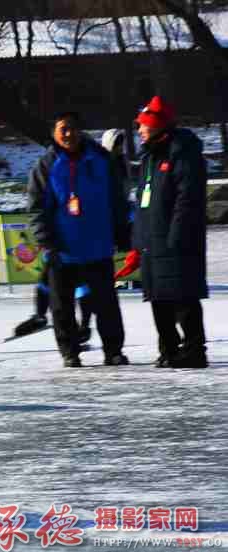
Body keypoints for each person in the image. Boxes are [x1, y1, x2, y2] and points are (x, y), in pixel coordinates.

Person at [28, 112, 130, 368]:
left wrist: (122, 231)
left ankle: (113, 350)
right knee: (62, 306)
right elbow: (37, 207)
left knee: (106, 304)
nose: (68, 134)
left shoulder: (101, 160)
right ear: (54, 133)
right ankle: (70, 352)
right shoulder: (46, 165)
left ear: (80, 131)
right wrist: (46, 239)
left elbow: (117, 199)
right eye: (62, 129)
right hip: (63, 249)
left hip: (97, 246)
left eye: (72, 128)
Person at [117, 96, 209, 368]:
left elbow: (187, 199)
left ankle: (194, 350)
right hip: (152, 241)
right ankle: (169, 349)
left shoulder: (182, 152)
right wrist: (137, 244)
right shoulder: (149, 156)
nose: (139, 130)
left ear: (158, 125)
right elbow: (143, 204)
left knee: (183, 296)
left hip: (175, 240)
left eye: (143, 125)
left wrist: (177, 236)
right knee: (158, 296)